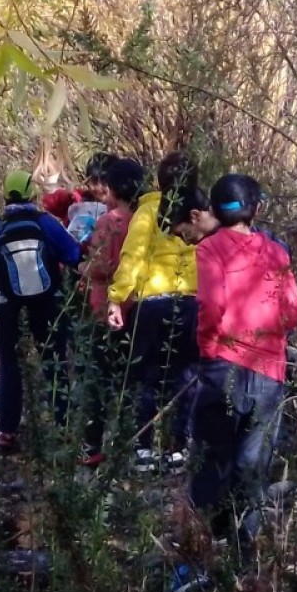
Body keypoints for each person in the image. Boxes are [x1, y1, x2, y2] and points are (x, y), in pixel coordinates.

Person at [170, 174, 297, 592]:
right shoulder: (277, 252)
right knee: (253, 468)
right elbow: (292, 312)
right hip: (268, 374)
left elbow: (210, 305)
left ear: (214, 211)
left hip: (222, 368)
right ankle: (246, 566)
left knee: (211, 461)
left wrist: (209, 346)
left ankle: (197, 566)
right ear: (256, 209)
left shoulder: (210, 248)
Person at [0, 170, 83, 453]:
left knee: (11, 367)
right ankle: (64, 427)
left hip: (9, 307)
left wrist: (2, 282)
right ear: (33, 194)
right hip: (48, 303)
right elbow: (73, 255)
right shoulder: (47, 223)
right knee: (54, 363)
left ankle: (7, 431)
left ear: (5, 196)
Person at [107, 151, 203, 472]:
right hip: (191, 302)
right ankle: (178, 448)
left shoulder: (148, 211)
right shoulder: (201, 214)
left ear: (159, 181)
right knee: (185, 376)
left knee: (146, 377)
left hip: (152, 304)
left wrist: (116, 298)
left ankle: (144, 448)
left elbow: (131, 256)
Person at [77, 156, 147, 466]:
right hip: (140, 306)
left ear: (114, 188)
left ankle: (92, 446)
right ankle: (130, 443)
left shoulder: (111, 221)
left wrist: (83, 267)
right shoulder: (150, 220)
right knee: (132, 378)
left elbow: (102, 266)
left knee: (99, 378)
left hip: (107, 307)